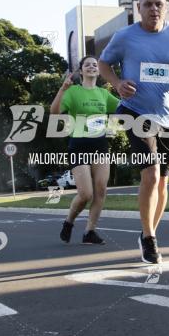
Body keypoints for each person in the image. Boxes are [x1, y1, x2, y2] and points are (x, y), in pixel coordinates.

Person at [98, 0, 169, 264]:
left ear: (166, 7)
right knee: (152, 174)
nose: (154, 9)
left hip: (168, 116)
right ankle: (148, 237)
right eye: (148, 5)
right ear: (139, 8)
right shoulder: (125, 36)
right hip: (135, 112)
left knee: (164, 182)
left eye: (159, 4)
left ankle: (150, 232)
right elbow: (103, 63)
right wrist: (117, 84)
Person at [50, 55, 119, 245]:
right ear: (81, 71)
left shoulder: (104, 94)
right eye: (87, 65)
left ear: (99, 70)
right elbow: (54, 112)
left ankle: (90, 232)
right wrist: (62, 90)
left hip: (100, 146)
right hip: (78, 146)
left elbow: (124, 107)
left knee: (101, 190)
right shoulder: (72, 92)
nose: (91, 67)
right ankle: (69, 221)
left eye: (95, 65)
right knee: (86, 194)